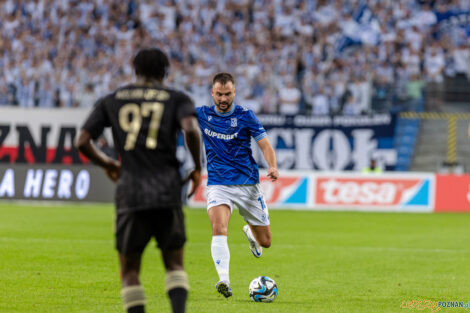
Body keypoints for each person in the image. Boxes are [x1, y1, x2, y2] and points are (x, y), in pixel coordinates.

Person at [75, 48, 202, 313]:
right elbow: (191, 129)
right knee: (174, 265)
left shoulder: (113, 99)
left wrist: (108, 163)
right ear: (165, 72)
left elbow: (82, 141)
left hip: (130, 190)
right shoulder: (176, 98)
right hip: (167, 189)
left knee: (130, 270)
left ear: (135, 70)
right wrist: (197, 167)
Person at [196, 72, 278, 298]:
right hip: (218, 184)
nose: (223, 99)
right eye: (219, 94)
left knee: (266, 242)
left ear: (235, 92)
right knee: (218, 228)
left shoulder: (246, 116)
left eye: (228, 94)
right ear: (212, 93)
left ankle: (251, 233)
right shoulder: (202, 115)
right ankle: (224, 280)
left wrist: (272, 166)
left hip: (247, 185)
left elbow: (265, 145)